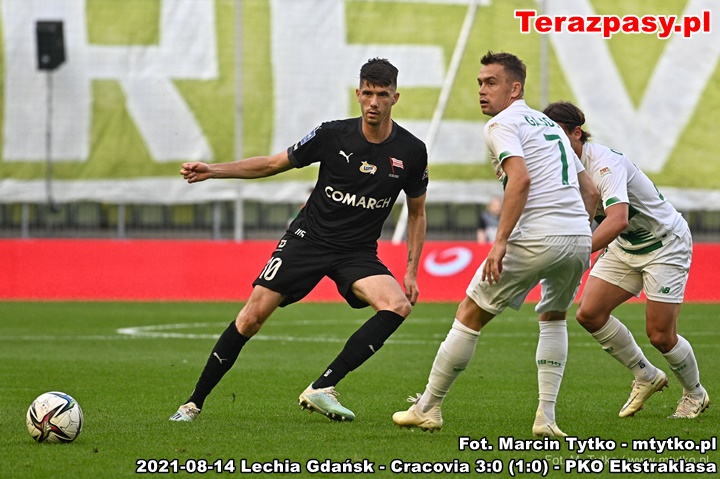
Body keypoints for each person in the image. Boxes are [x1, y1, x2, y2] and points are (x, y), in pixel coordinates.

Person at [170, 58, 428, 423]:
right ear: (357, 94)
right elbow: (272, 164)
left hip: (356, 252)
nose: (374, 102)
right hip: (308, 240)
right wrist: (213, 170)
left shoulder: (411, 151)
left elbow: (417, 213)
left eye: (382, 95)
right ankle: (192, 404)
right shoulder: (331, 135)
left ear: (395, 98)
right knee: (250, 318)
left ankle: (323, 387)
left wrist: (411, 271)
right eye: (368, 93)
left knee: (397, 305)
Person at [392, 51, 597, 437]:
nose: (482, 90)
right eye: (480, 83)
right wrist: (578, 230)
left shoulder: (502, 124)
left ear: (515, 88)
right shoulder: (550, 126)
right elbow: (589, 190)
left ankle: (428, 408)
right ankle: (546, 418)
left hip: (538, 235)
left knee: (470, 313)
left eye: (491, 83)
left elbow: (520, 179)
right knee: (553, 317)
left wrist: (499, 242)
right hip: (577, 238)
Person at [543, 101, 710, 419]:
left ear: (577, 133)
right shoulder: (560, 167)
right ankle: (646, 375)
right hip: (625, 245)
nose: (550, 145)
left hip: (665, 244)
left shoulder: (604, 163)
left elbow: (617, 219)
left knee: (660, 336)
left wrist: (578, 252)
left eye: (557, 135)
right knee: (589, 314)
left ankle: (695, 394)